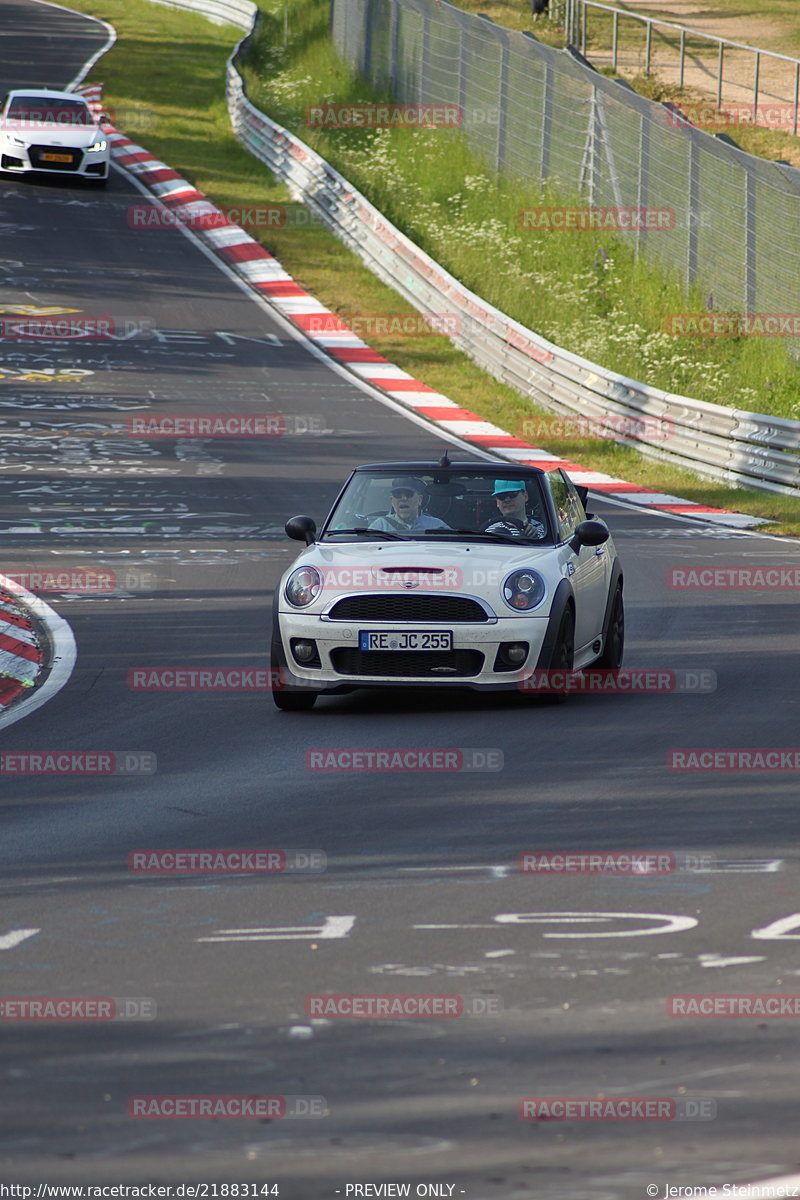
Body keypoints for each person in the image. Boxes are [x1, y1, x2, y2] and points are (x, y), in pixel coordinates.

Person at [368, 476, 449, 533]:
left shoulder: (437, 526)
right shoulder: (379, 527)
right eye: (397, 494)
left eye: (408, 494)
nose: (403, 498)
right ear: (391, 501)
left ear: (419, 499)